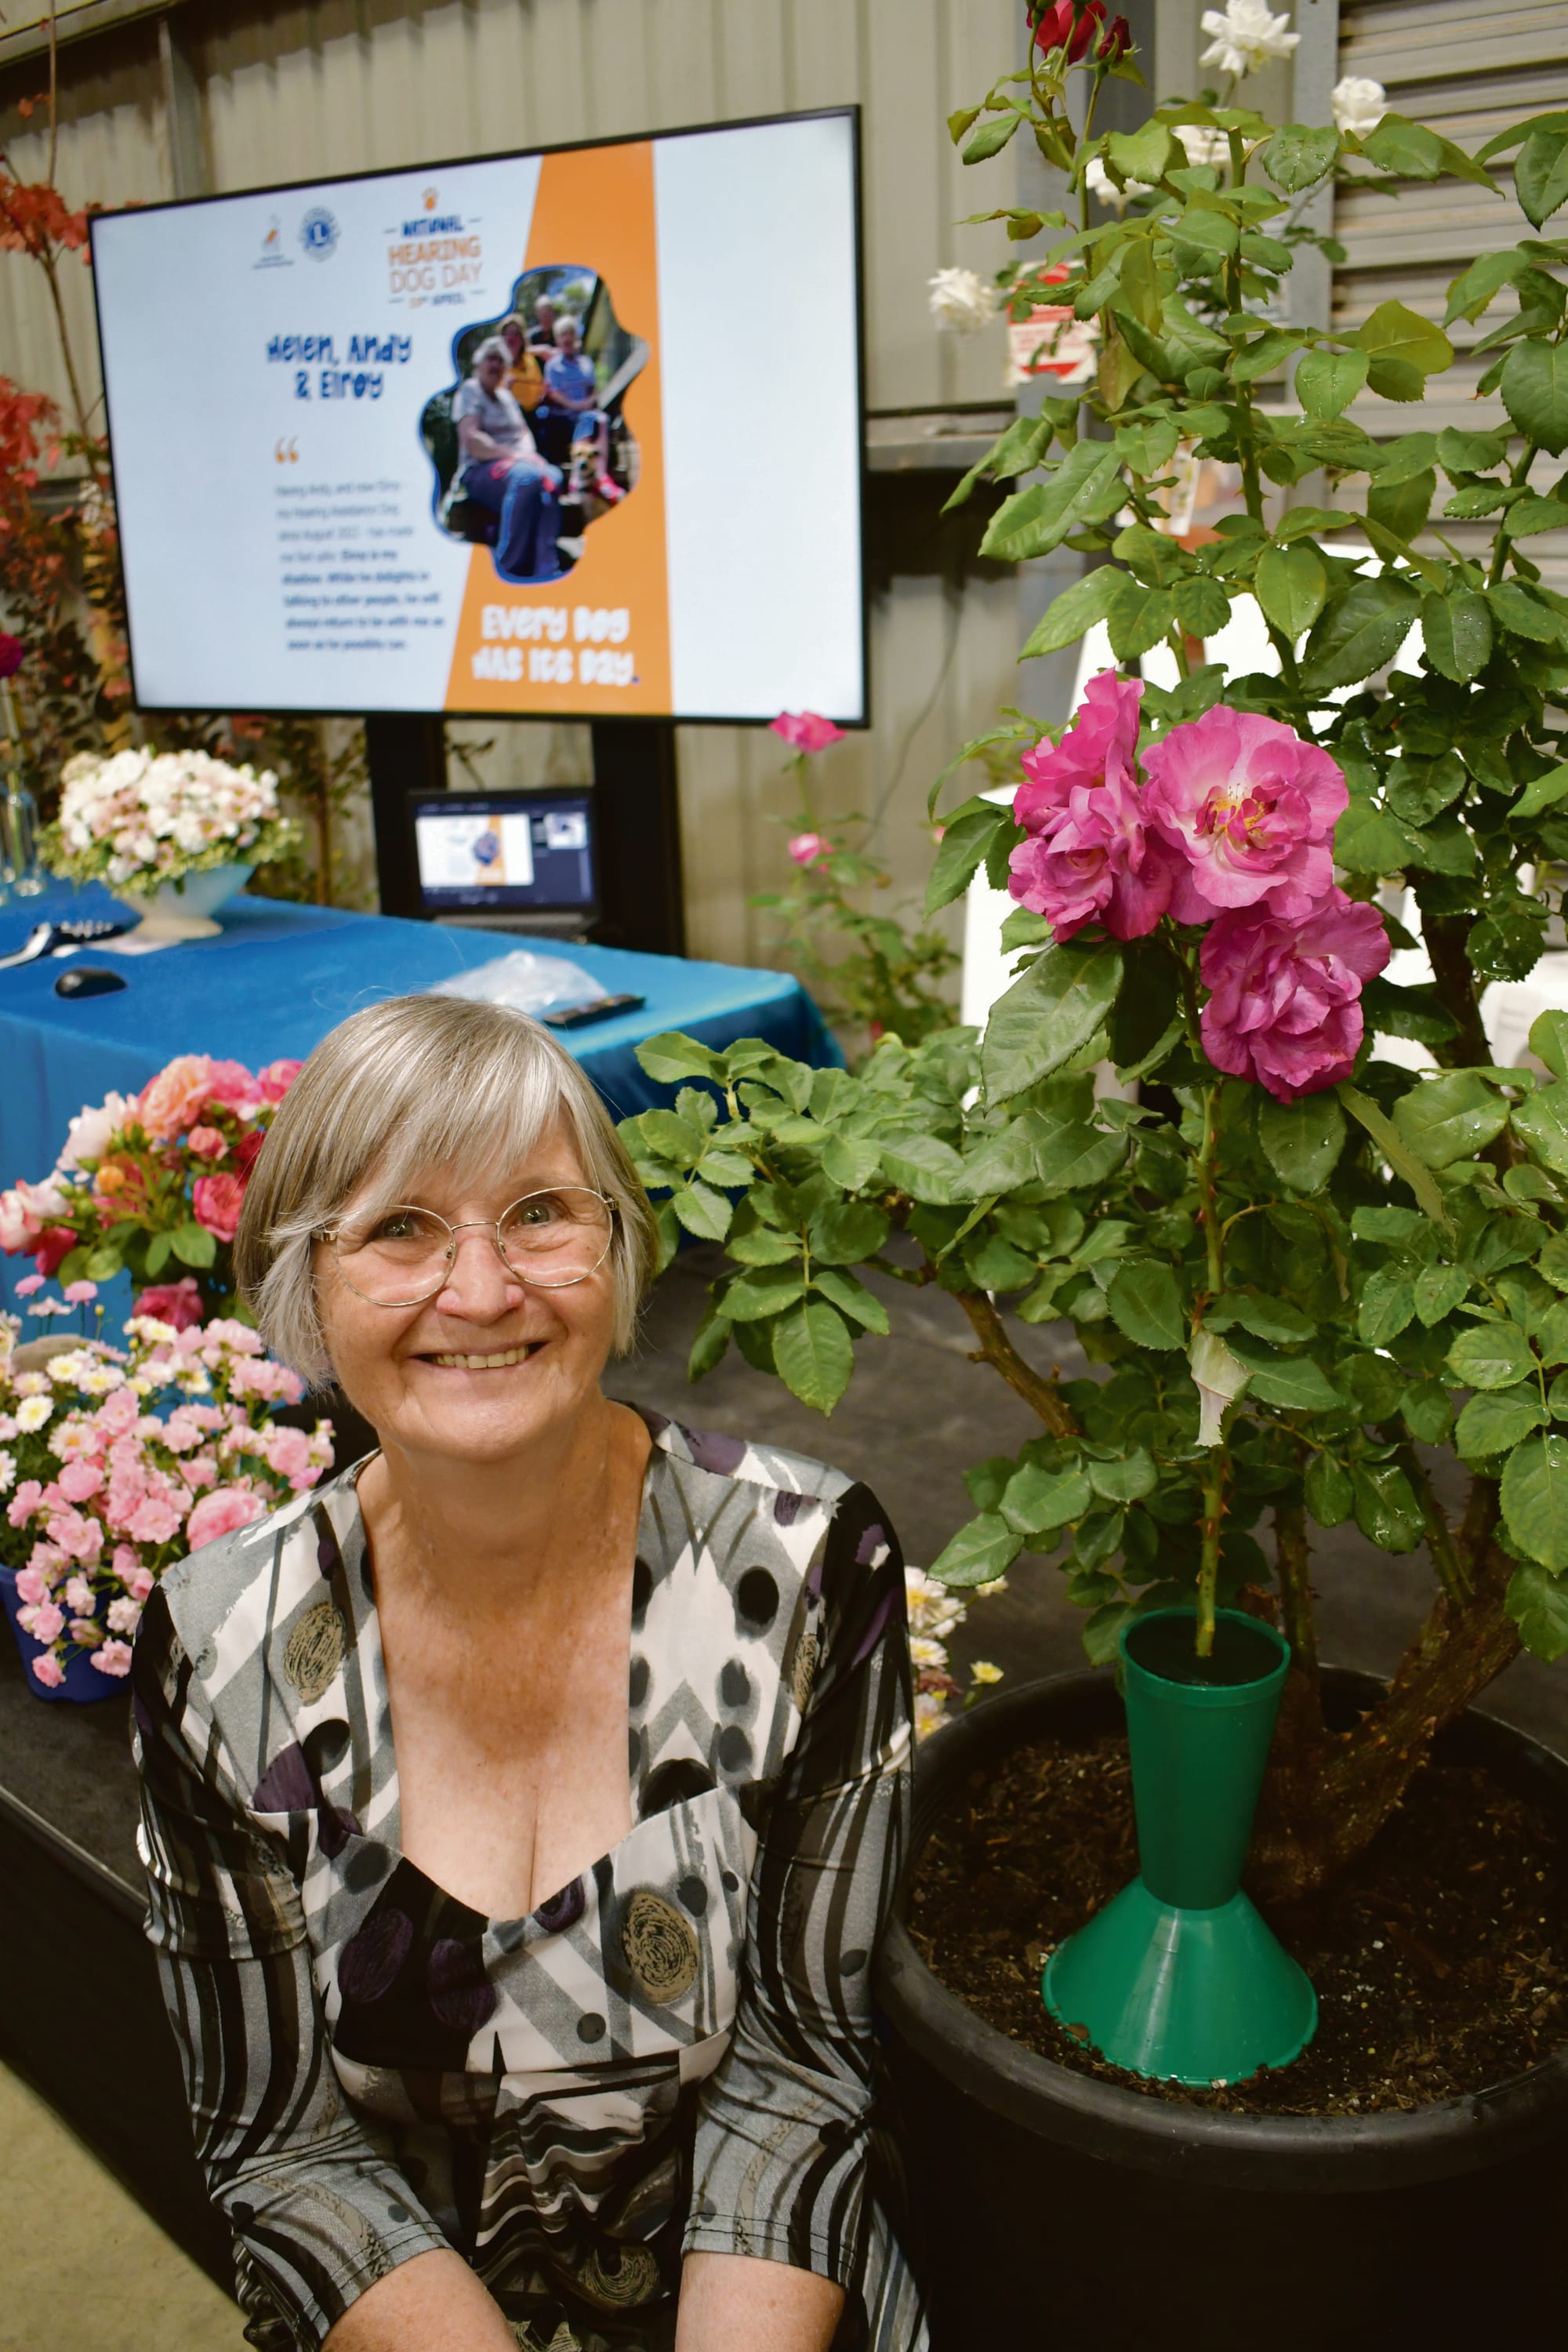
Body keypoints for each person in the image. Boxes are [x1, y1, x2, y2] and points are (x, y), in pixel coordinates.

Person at [132, 993, 927, 2352]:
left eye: (542, 1214)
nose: (485, 1290)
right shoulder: (226, 1643)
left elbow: (805, 2059)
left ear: (616, 1248)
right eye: (399, 1229)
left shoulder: (801, 1563)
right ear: (304, 1283)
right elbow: (279, 2144)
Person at [451, 336, 562, 583]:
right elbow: (472, 439)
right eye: (491, 359)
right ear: (478, 364)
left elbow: (523, 433)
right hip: (481, 468)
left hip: (516, 463)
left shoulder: (506, 397)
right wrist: (517, 457)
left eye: (501, 361)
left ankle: (546, 568)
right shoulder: (470, 390)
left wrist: (530, 456)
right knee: (527, 476)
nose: (496, 365)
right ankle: (509, 569)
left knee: (552, 476)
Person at [543, 314, 623, 506]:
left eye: (570, 333)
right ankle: (576, 477)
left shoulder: (585, 362)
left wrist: (590, 401)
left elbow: (592, 390)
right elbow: (553, 393)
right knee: (587, 419)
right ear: (558, 339)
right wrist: (576, 406)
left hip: (585, 412)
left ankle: (601, 474)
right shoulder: (553, 365)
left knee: (601, 419)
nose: (567, 338)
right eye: (563, 335)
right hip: (563, 415)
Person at [499, 313, 545, 412]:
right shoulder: (497, 366)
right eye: (507, 334)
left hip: (538, 411)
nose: (511, 339)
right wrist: (505, 389)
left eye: (516, 334)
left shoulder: (529, 357)